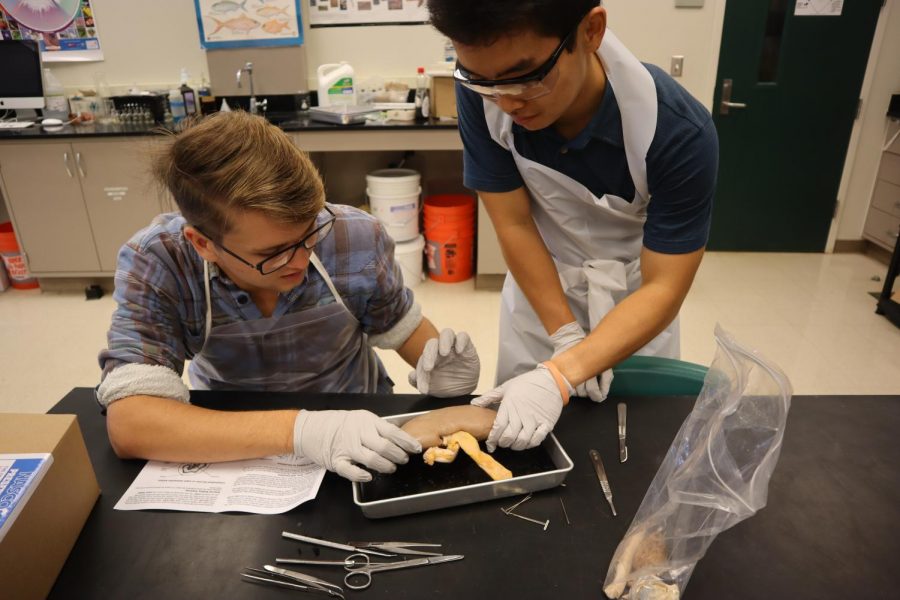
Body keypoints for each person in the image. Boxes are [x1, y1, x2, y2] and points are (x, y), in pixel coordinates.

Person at [97, 111, 480, 482]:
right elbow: (131, 425)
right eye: (271, 254)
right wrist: (301, 431)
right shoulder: (160, 261)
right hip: (229, 435)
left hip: (359, 427)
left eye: (310, 230)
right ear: (203, 244)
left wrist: (442, 373)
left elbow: (399, 326)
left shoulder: (353, 237)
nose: (301, 259)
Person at [426, 1, 718, 451]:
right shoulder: (481, 91)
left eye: (526, 77)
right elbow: (515, 223)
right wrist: (564, 339)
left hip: (632, 303)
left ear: (591, 30)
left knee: (633, 451)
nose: (506, 102)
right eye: (483, 82)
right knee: (522, 454)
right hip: (540, 294)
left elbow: (665, 285)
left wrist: (565, 369)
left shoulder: (677, 131)